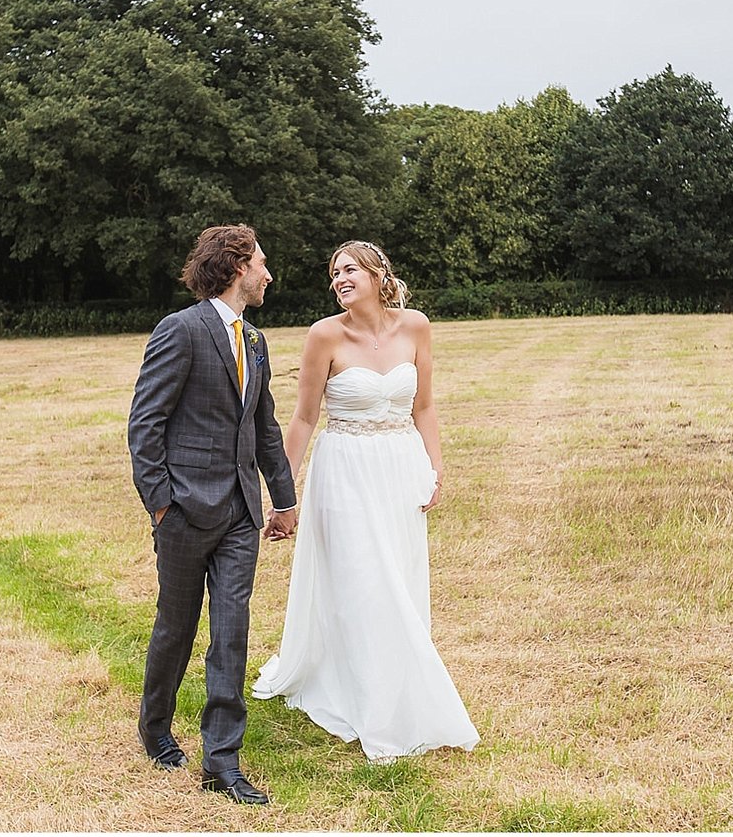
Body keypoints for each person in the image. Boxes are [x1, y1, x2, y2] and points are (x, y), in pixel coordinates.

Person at [251, 240, 479, 760]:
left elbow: (424, 406)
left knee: (396, 576)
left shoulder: (416, 326)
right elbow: (305, 418)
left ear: (378, 274)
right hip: (345, 470)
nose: (339, 279)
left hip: (399, 469)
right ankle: (366, 699)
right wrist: (283, 493)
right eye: (334, 273)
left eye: (349, 269)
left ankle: (396, 680)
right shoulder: (323, 335)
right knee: (360, 578)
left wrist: (434, 466)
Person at [127, 224, 299, 805]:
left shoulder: (255, 340)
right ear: (235, 266)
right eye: (262, 263)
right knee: (176, 627)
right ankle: (155, 730)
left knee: (232, 631)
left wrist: (285, 497)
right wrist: (160, 504)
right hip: (181, 511)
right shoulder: (181, 330)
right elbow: (145, 424)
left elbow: (265, 426)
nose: (268, 275)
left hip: (239, 512)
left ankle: (221, 761)